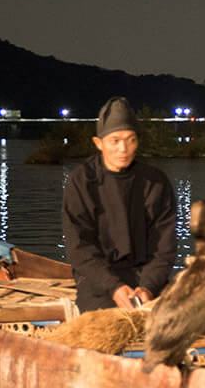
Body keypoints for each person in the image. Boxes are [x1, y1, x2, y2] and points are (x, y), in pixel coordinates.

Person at [62, 97, 176, 313]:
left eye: (130, 140)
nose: (123, 148)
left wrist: (148, 287)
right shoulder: (81, 181)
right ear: (99, 143)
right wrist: (113, 287)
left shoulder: (156, 182)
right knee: (111, 322)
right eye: (115, 141)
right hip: (99, 280)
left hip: (147, 278)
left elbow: (164, 247)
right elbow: (79, 247)